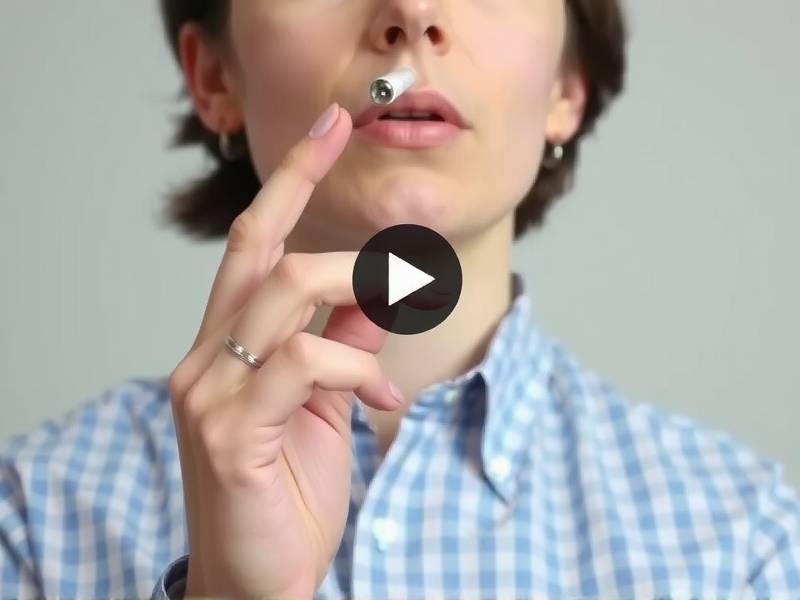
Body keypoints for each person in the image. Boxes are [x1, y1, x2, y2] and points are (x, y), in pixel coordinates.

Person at [2, 0, 799, 598]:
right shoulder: (31, 517)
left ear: (567, 84)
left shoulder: (744, 543)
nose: (413, 13)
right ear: (214, 76)